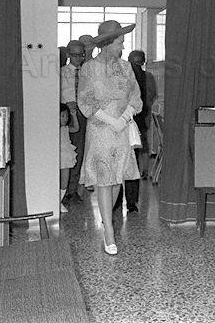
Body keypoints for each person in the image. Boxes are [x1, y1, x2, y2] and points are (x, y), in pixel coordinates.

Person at [78, 20, 142, 255]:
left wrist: (123, 118)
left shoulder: (126, 68)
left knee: (117, 180)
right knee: (104, 179)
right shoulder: (89, 69)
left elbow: (136, 97)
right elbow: (85, 101)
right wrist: (109, 119)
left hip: (122, 129)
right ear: (107, 43)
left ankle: (107, 221)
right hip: (101, 129)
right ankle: (109, 233)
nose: (122, 47)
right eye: (120, 42)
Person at [114, 50, 157, 213]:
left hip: (136, 124)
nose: (136, 65)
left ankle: (131, 201)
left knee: (132, 163)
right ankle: (117, 200)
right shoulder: (122, 76)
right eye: (133, 62)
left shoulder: (148, 78)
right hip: (118, 124)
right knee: (118, 163)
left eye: (139, 62)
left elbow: (150, 99)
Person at [60, 40, 88, 203]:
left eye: (81, 55)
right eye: (75, 55)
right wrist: (66, 104)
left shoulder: (88, 73)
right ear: (69, 55)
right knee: (64, 152)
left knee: (78, 152)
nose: (79, 58)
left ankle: (72, 189)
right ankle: (61, 189)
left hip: (82, 115)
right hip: (65, 116)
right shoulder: (61, 73)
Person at [58, 103, 79, 213]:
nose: (65, 118)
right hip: (57, 155)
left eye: (66, 116)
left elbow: (76, 128)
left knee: (64, 181)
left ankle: (59, 201)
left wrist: (74, 114)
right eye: (62, 116)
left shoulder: (66, 128)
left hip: (65, 156)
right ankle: (54, 201)